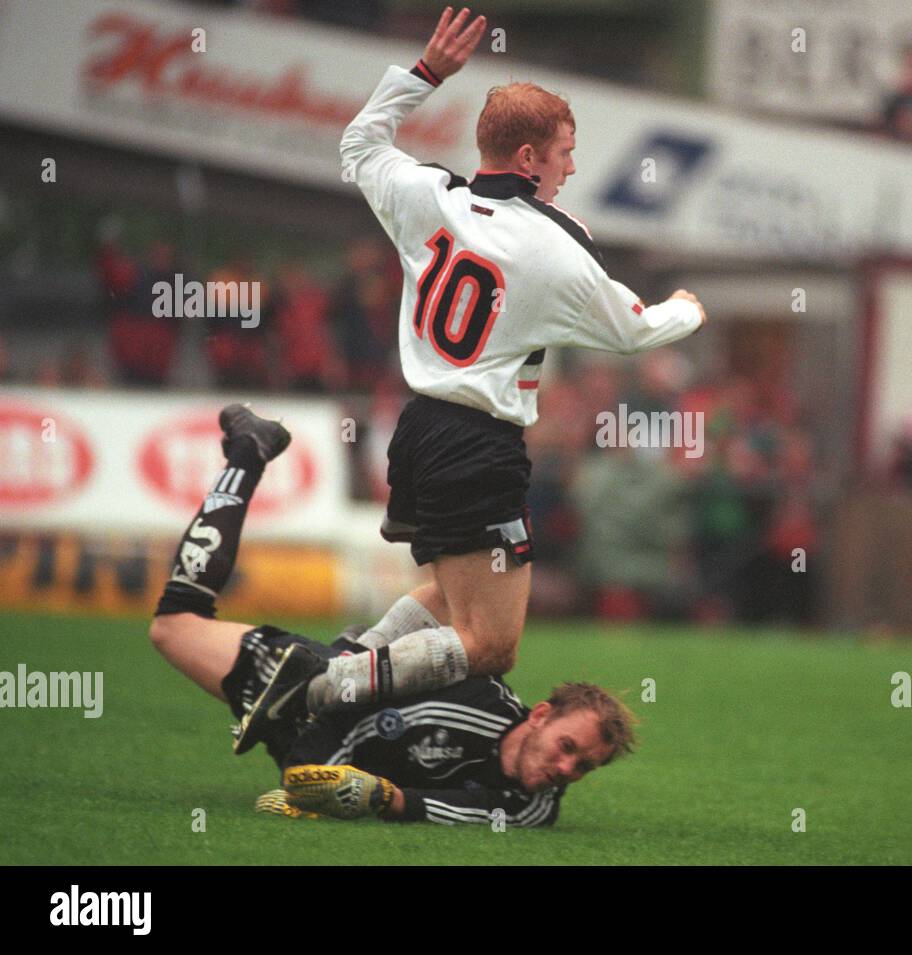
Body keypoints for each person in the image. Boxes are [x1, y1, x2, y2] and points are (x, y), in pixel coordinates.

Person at [236, 6, 707, 742]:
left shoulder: (426, 193)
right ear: (528, 157)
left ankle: (341, 657)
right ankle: (318, 685)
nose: (571, 168)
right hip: (478, 444)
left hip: (418, 431)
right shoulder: (554, 248)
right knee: (491, 645)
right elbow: (633, 330)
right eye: (565, 153)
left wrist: (426, 74)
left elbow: (359, 144)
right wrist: (688, 309)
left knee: (453, 600)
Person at [149, 403, 636, 826]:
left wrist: (371, 795)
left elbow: (419, 806)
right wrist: (307, 770)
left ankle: (256, 448)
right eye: (568, 747)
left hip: (313, 711)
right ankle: (250, 453)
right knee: (174, 625)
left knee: (465, 616)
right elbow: (348, 709)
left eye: (583, 768)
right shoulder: (477, 699)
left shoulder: (535, 808)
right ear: (542, 717)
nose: (566, 770)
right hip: (316, 701)